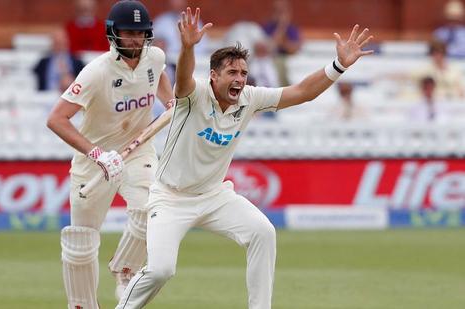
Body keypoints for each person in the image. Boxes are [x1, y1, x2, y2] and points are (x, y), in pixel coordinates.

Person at [116, 7, 373, 309]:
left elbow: (302, 92)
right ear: (213, 76)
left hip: (214, 196)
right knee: (161, 270)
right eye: (232, 73)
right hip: (171, 198)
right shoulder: (194, 95)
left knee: (263, 232)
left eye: (243, 73)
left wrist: (338, 66)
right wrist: (187, 47)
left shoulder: (250, 98)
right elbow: (183, 77)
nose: (239, 79)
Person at [46, 1, 175, 308]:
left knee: (149, 209)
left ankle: (126, 269)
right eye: (127, 33)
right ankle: (82, 305)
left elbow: (165, 88)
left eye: (140, 33)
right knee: (81, 242)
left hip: (137, 150)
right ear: (113, 33)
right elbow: (56, 119)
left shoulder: (155, 58)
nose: (134, 39)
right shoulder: (96, 72)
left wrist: (172, 103)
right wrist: (96, 153)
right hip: (96, 160)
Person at [153, 0, 210, 82]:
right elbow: (156, 50)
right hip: (169, 65)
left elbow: (203, 48)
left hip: (195, 64)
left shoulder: (194, 21)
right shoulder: (161, 22)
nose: (177, 2)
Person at [262, 0, 303, 86]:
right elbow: (270, 47)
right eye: (277, 11)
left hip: (287, 59)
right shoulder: (267, 27)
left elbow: (294, 49)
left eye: (282, 11)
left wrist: (282, 42)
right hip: (270, 59)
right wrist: (281, 27)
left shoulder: (292, 29)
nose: (279, 14)